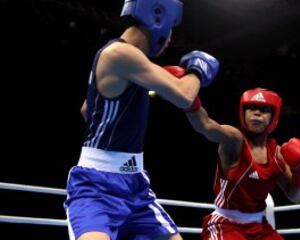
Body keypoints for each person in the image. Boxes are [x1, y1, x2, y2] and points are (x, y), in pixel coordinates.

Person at [63, 0, 220, 239]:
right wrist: (197, 69)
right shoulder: (120, 53)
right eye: (172, 29)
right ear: (159, 16)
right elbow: (184, 95)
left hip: (135, 186)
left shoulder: (120, 58)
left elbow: (88, 109)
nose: (170, 39)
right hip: (96, 188)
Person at [172, 81, 300, 239]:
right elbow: (206, 125)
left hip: (260, 226)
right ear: (243, 112)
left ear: (274, 116)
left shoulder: (277, 154)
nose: (257, 114)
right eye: (251, 108)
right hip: (226, 224)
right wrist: (188, 100)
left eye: (264, 109)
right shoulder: (234, 140)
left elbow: (295, 197)